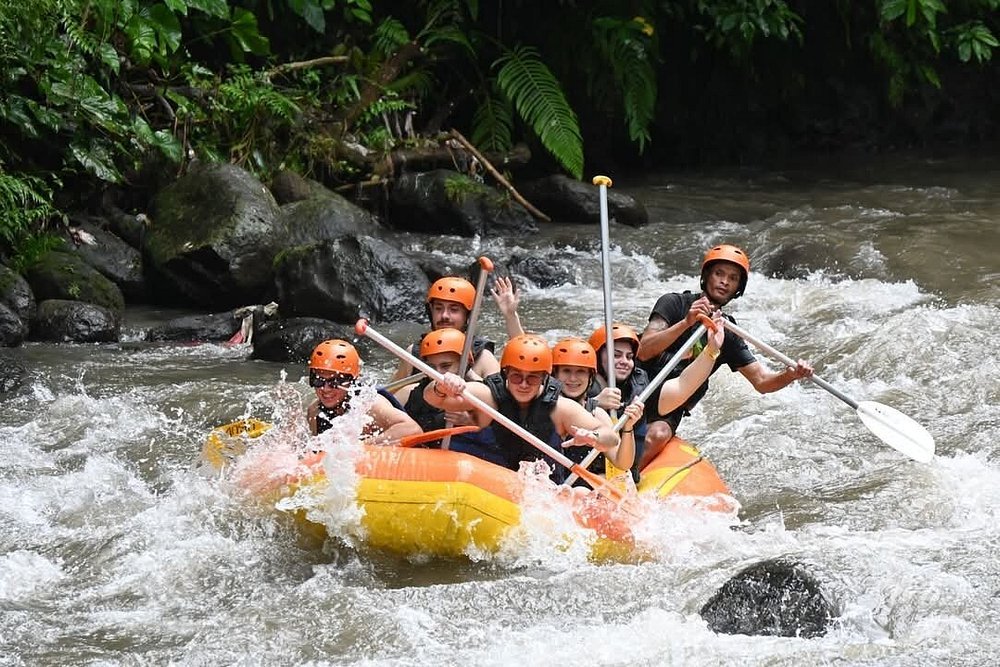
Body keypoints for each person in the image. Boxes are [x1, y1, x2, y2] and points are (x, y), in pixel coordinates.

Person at [636, 244, 814, 468]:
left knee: (658, 435)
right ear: (706, 276)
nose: (724, 282)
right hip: (639, 386)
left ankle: (626, 480)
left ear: (738, 287)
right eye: (719, 274)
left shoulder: (727, 332)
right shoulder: (674, 303)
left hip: (671, 406)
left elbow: (761, 382)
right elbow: (644, 349)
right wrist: (686, 323)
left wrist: (790, 375)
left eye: (733, 278)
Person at [423, 334, 625, 481]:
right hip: (489, 483)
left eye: (533, 378)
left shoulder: (560, 408)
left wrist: (594, 437)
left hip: (539, 493)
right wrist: (442, 386)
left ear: (544, 378)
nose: (524, 384)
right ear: (505, 374)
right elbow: (433, 398)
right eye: (516, 376)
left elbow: (610, 437)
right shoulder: (488, 396)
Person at [396, 328, 503, 464]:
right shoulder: (415, 392)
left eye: (446, 366)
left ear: (467, 361)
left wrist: (473, 422)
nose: (438, 373)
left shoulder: (484, 392)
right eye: (432, 367)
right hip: (424, 461)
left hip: (472, 463)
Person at [550, 337, 640, 483]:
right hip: (547, 487)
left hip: (585, 489)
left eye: (580, 371)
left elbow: (622, 463)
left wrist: (628, 427)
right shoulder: (542, 408)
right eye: (566, 371)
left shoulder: (596, 414)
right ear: (555, 375)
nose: (573, 378)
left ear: (590, 377)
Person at [389, 276, 501, 384]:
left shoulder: (483, 357)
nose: (444, 316)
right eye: (438, 308)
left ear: (468, 316)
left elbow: (501, 394)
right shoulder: (414, 354)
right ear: (431, 312)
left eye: (454, 309)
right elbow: (390, 394)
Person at [306, 339, 422, 443]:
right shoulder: (314, 411)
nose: (326, 389)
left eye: (335, 382)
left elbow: (413, 429)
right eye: (318, 380)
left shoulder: (369, 404)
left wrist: (360, 447)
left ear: (352, 381)